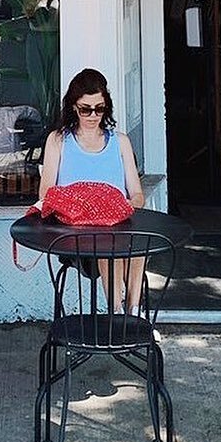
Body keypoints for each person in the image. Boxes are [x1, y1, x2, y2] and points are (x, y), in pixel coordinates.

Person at [39, 68, 145, 307]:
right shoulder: (58, 140)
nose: (93, 115)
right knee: (109, 246)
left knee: (138, 245)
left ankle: (132, 312)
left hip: (116, 226)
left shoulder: (121, 141)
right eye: (86, 109)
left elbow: (137, 194)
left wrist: (126, 205)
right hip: (74, 233)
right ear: (74, 107)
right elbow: (45, 193)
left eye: (99, 109)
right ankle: (117, 313)